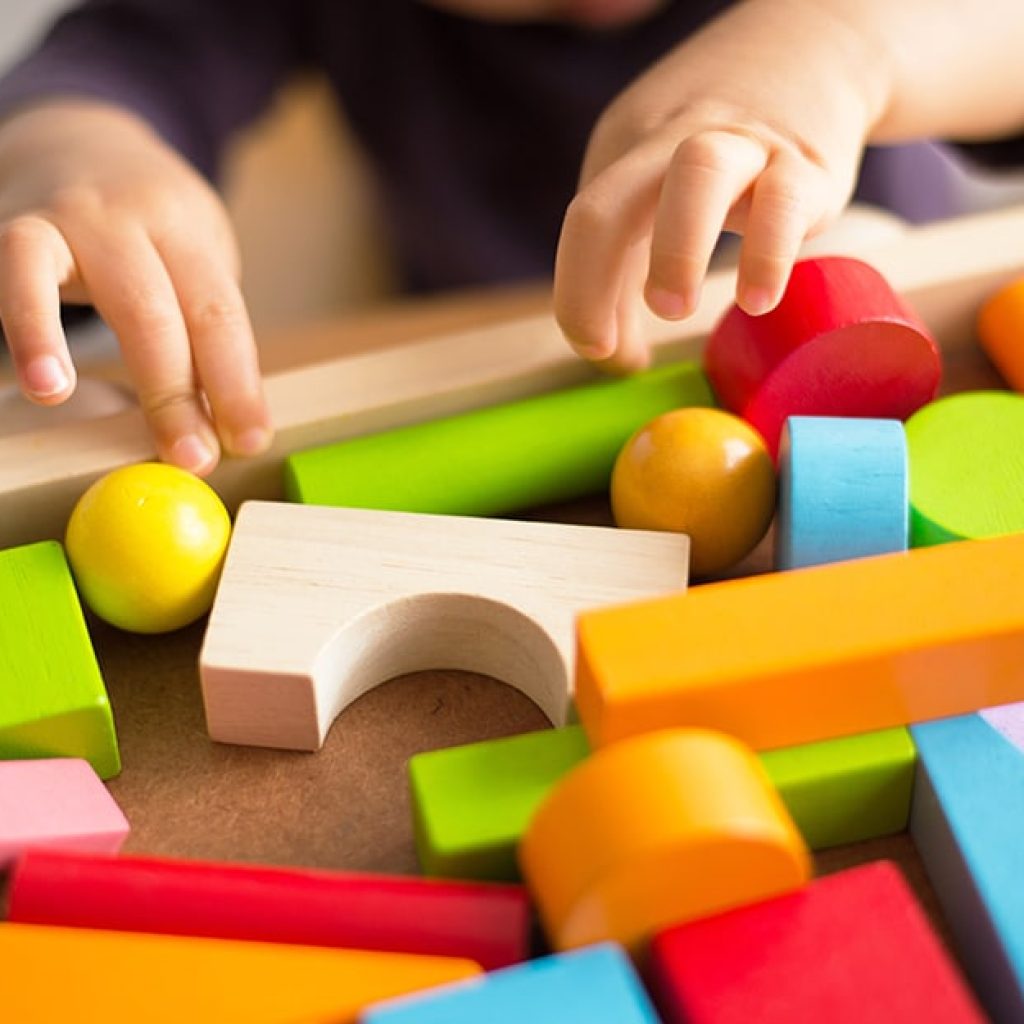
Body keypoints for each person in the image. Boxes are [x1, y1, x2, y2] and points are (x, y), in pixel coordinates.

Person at [0, 0, 1019, 475]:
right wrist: (75, 157)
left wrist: (850, 43)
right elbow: (119, 57)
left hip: (880, 331)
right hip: (484, 340)